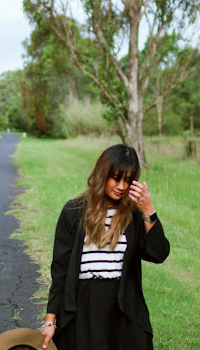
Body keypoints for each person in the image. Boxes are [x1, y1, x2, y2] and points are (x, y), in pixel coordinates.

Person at [40, 144, 170, 350]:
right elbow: (60, 270)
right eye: (116, 178)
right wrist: (50, 321)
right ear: (102, 174)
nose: (121, 186)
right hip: (84, 306)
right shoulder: (74, 211)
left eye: (127, 180)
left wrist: (149, 211)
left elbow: (158, 253)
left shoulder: (134, 215)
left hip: (122, 305)